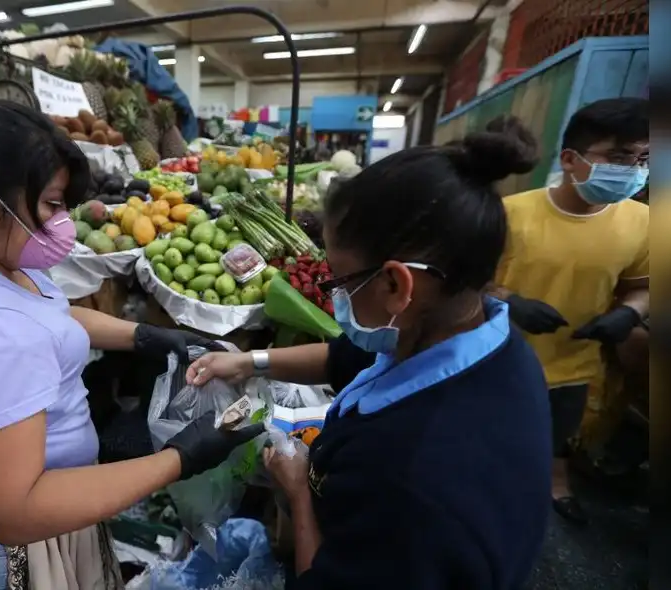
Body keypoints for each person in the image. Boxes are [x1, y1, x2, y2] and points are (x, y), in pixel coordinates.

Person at [0, 100, 262, 590]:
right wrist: (179, 459)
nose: (63, 221)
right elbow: (17, 510)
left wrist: (142, 335)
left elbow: (45, 314)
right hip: (18, 548)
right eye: (52, 204)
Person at [188, 118, 552, 589]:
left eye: (339, 281)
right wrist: (248, 361)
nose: (335, 296)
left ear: (396, 284)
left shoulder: (413, 478)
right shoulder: (473, 340)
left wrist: (298, 493)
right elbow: (343, 358)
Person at [490, 98, 649, 525]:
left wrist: (630, 313)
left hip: (576, 359)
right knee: (496, 438)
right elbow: (473, 281)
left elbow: (642, 286)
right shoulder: (511, 215)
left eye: (643, 158)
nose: (634, 169)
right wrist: (510, 301)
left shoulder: (643, 222)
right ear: (569, 159)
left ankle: (556, 483)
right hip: (503, 355)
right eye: (620, 157)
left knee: (559, 430)